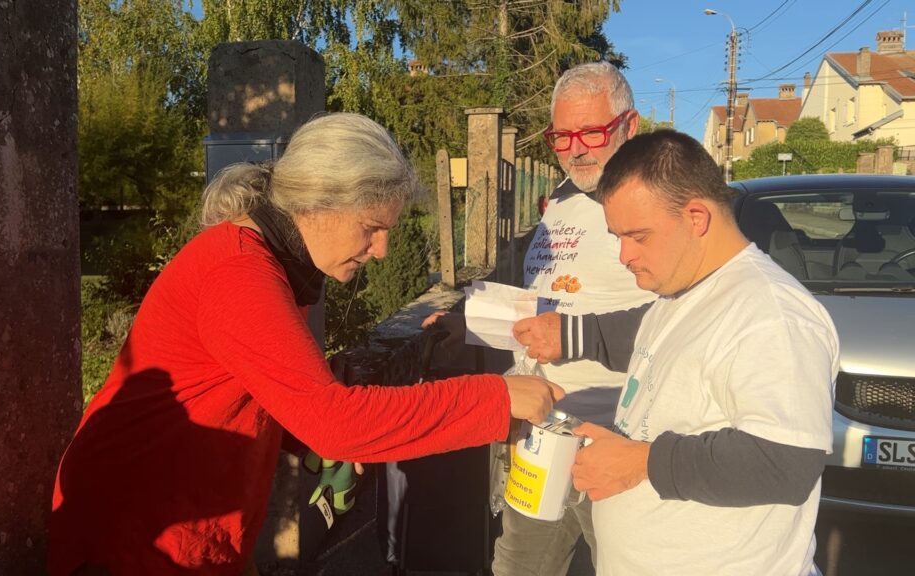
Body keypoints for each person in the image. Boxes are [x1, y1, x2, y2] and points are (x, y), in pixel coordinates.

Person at [49, 112, 564, 576]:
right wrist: (496, 398)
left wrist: (309, 434)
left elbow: (265, 393)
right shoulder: (239, 274)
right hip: (137, 537)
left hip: (193, 521)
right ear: (318, 205)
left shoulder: (271, 265)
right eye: (372, 228)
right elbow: (337, 423)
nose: (382, 250)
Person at [424, 61, 656, 575]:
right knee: (518, 566)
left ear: (630, 126)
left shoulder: (659, 201)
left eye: (592, 133)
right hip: (543, 432)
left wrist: (575, 336)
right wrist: (467, 321)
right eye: (562, 136)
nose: (576, 149)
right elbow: (543, 300)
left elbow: (687, 318)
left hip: (622, 435)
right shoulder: (562, 203)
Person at [572, 129, 839, 574]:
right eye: (617, 236)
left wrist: (640, 462)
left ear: (696, 217)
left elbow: (786, 462)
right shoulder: (683, 292)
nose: (623, 255)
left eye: (637, 236)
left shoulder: (771, 313)